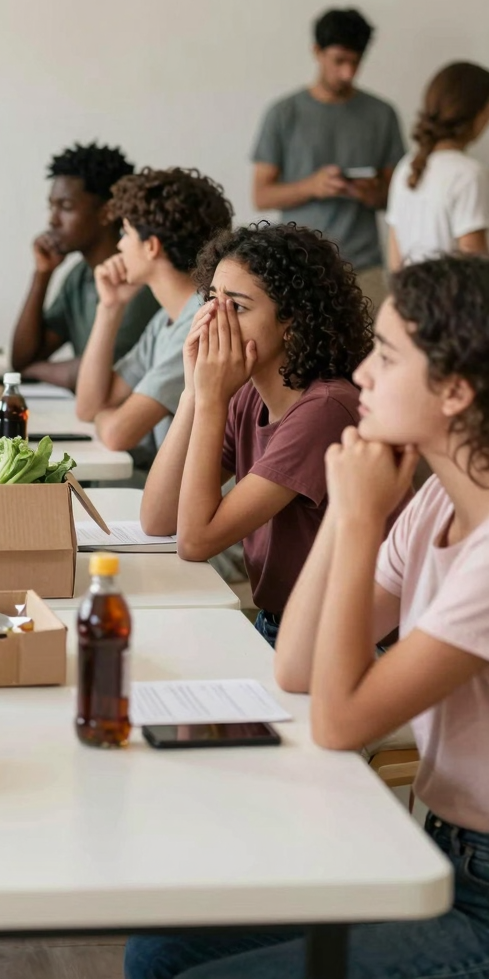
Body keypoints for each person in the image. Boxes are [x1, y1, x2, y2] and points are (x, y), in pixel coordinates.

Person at [124, 254, 489, 979]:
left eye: (386, 357)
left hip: (478, 898)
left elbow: (339, 721)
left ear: (453, 390)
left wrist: (354, 520)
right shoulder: (436, 501)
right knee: (158, 952)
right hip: (437, 852)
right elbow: (294, 666)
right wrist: (355, 508)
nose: (363, 378)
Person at [140, 223, 373, 646]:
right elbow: (158, 519)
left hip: (341, 639)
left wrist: (210, 401)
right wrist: (193, 393)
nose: (215, 317)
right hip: (282, 622)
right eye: (212, 299)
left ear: (292, 322)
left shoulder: (324, 410)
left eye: (239, 307)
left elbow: (195, 541)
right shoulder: (248, 395)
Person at [75, 167, 232, 470]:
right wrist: (110, 308)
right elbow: (88, 406)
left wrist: (105, 417)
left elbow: (118, 433)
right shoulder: (167, 320)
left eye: (126, 233)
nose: (119, 245)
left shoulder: (201, 322)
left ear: (151, 246)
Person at [252, 8, 405, 311]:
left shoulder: (382, 114)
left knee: (375, 354)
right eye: (339, 61)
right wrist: (312, 186)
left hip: (365, 268)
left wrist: (372, 193)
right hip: (298, 267)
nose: (348, 72)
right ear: (317, 52)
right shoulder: (283, 114)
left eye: (355, 62)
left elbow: (400, 196)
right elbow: (261, 195)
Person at [12, 142, 160, 391]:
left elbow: (103, 374)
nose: (52, 219)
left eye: (66, 207)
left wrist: (34, 370)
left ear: (107, 212)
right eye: (52, 206)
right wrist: (42, 274)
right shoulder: (79, 276)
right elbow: (22, 358)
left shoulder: (138, 280)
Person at [386, 62, 489, 270]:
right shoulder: (468, 173)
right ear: (480, 113)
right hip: (453, 302)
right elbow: (474, 261)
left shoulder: (406, 166)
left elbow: (395, 259)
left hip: (409, 299)